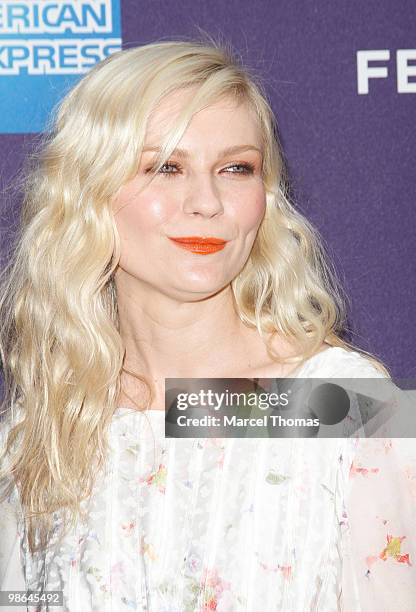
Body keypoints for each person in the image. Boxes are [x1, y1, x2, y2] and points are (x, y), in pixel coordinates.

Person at [0, 38, 415, 611]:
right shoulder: (46, 428)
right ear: (86, 193)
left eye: (236, 168)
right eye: (166, 167)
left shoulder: (340, 403)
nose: (207, 201)